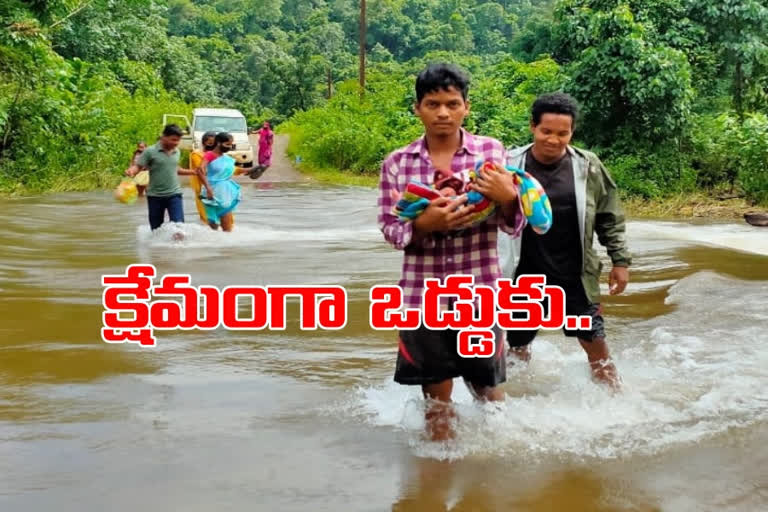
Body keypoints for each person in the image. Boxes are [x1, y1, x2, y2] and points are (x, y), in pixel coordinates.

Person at [377, 63, 525, 442]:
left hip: (479, 292)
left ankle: (494, 471)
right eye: (432, 104)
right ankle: (439, 474)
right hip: (421, 297)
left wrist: (510, 198)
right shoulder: (397, 163)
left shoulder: (490, 152)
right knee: (436, 400)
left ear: (465, 107)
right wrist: (426, 224)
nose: (442, 112)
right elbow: (391, 231)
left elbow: (512, 224)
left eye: (451, 103)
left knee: (488, 391)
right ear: (417, 109)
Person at [497, 92, 631, 390]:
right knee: (517, 347)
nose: (554, 140)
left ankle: (616, 401)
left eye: (563, 133)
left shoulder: (588, 166)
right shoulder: (508, 165)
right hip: (524, 275)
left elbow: (609, 216)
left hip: (574, 274)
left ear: (572, 132)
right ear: (533, 126)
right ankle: (519, 401)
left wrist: (619, 261)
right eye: (546, 131)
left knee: (596, 344)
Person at [125, 124, 198, 234]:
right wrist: (131, 171)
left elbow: (174, 168)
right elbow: (138, 166)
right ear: (163, 136)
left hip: (174, 194)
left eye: (178, 140)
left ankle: (178, 250)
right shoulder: (150, 151)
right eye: (173, 140)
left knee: (179, 228)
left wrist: (193, 172)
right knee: (156, 230)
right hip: (155, 196)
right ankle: (158, 251)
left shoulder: (177, 151)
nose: (176, 143)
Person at [197, 132, 242, 232]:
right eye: (227, 144)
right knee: (213, 224)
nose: (229, 147)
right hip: (212, 192)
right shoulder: (210, 155)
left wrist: (251, 170)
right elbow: (200, 170)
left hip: (224, 194)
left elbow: (233, 172)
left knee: (226, 225)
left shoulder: (227, 159)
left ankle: (226, 245)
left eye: (231, 144)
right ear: (218, 143)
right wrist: (208, 188)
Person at [189, 131, 218, 224]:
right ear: (204, 143)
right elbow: (201, 171)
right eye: (210, 143)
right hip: (202, 189)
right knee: (206, 218)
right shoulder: (196, 154)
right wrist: (208, 187)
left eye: (214, 143)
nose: (212, 145)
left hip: (217, 189)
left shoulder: (217, 155)